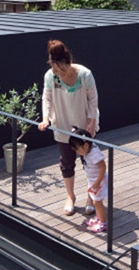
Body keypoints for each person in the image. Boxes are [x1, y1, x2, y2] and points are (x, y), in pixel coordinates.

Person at [38, 39, 99, 217]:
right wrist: (45, 118)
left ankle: (91, 198)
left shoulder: (85, 75)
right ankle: (70, 197)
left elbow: (93, 99)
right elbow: (46, 98)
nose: (59, 74)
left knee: (90, 164)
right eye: (55, 70)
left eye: (61, 70)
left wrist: (92, 123)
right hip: (63, 124)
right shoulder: (50, 76)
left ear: (68, 62)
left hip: (84, 126)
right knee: (66, 163)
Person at [69, 128, 107, 234]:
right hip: (93, 180)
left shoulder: (94, 154)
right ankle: (99, 217)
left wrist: (98, 181)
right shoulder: (89, 148)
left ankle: (103, 222)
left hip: (98, 181)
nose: (77, 152)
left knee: (97, 202)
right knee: (96, 201)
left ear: (85, 145)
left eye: (78, 149)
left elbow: (103, 167)